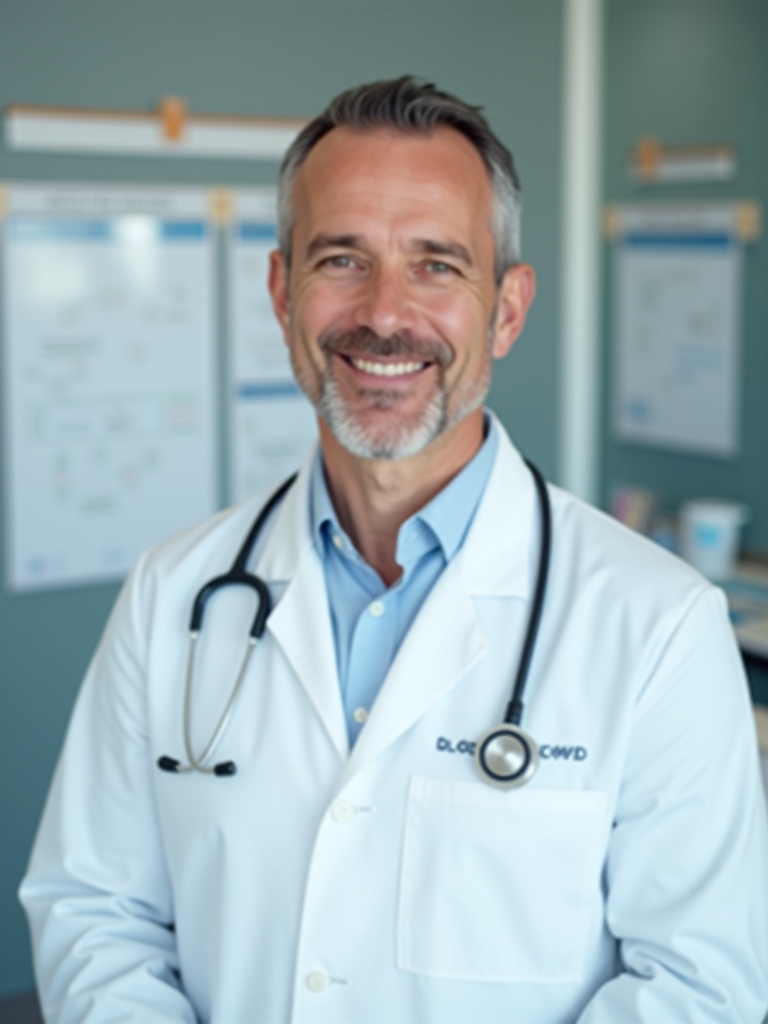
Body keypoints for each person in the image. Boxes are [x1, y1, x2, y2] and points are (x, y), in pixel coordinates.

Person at [20, 76, 768, 1023]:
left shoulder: (659, 625)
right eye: (342, 258)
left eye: (437, 265)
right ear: (282, 291)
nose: (384, 313)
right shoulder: (175, 592)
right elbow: (95, 913)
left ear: (505, 308)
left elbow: (699, 990)